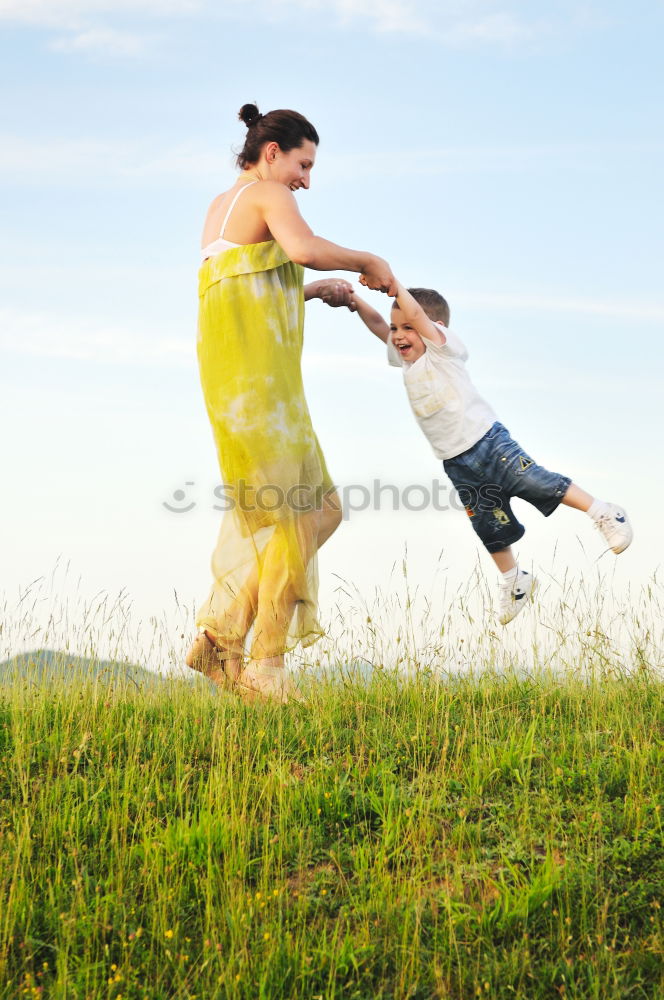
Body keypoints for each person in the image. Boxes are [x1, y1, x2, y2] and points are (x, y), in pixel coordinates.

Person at [186, 103, 396, 703]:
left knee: (304, 512)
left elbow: (241, 289)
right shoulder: (268, 194)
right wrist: (364, 262)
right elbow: (300, 245)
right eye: (304, 163)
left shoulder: (220, 207)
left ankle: (223, 639)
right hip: (262, 389)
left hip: (236, 386)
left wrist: (309, 290)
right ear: (273, 152)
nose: (307, 179)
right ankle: (263, 663)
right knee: (312, 512)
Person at [336, 280, 632, 624]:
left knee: (534, 481)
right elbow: (378, 326)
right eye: (395, 329)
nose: (399, 336)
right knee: (487, 523)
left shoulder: (443, 350)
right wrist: (355, 302)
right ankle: (514, 580)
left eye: (408, 328)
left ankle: (605, 512)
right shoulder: (407, 361)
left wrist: (392, 286)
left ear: (434, 329)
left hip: (488, 441)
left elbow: (416, 314)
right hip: (456, 461)